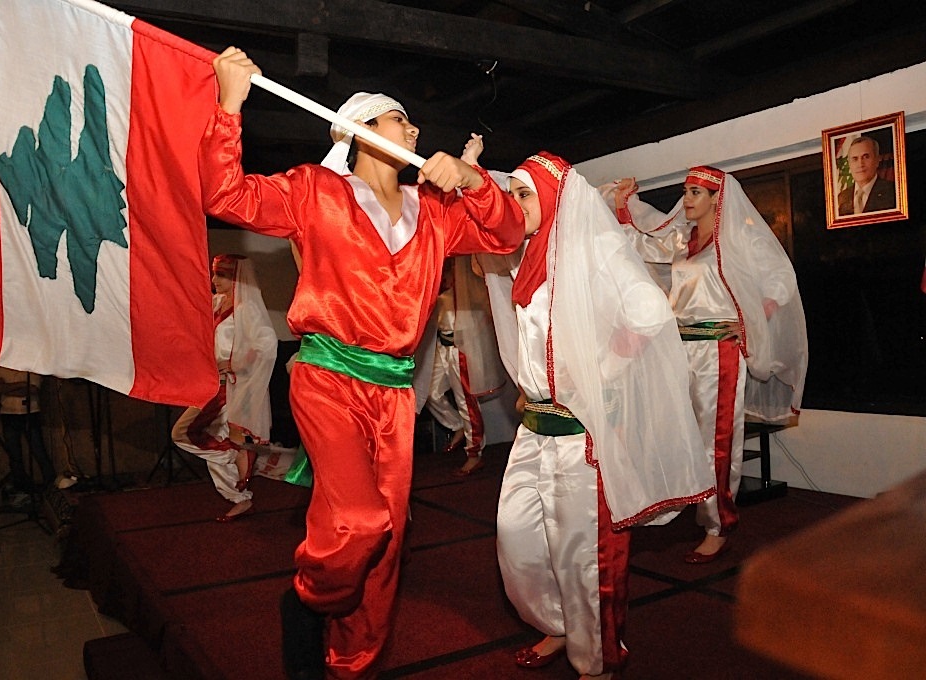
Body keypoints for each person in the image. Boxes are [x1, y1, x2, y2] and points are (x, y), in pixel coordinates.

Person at [199, 49, 525, 680]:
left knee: (389, 540)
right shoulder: (315, 191)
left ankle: (351, 663)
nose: (414, 129)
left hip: (394, 393)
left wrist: (472, 179)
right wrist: (230, 103)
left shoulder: (435, 212)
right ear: (359, 131)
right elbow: (224, 194)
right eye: (400, 119)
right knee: (358, 521)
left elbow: (507, 234)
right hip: (328, 378)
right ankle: (306, 603)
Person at [476, 151, 710, 679]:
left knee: (583, 555)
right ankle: (558, 623)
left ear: (552, 197)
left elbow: (649, 312)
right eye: (512, 195)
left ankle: (597, 659)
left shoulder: (593, 248)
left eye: (524, 194)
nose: (515, 204)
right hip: (535, 427)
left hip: (581, 434)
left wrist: (604, 369)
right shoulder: (525, 256)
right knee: (517, 536)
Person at [609, 166, 807, 563]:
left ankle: (719, 525)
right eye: (685, 191)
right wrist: (622, 204)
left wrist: (750, 321)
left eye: (696, 192)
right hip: (680, 348)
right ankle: (687, 502)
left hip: (719, 351)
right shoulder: (683, 239)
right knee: (677, 432)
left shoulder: (740, 238)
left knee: (715, 441)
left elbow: (780, 279)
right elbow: (641, 244)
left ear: (718, 198)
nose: (686, 199)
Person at [171, 254, 277, 522]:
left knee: (182, 433)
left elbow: (266, 345)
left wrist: (234, 364)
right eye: (214, 273)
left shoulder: (246, 309)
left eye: (222, 275)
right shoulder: (217, 303)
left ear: (237, 278)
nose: (215, 280)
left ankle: (235, 452)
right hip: (213, 382)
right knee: (212, 440)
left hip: (230, 387)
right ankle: (239, 495)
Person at [416, 254, 505, 476]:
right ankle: (457, 426)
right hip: (441, 346)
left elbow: (484, 308)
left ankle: (474, 454)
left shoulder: (466, 281)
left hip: (459, 350)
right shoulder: (437, 274)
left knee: (466, 401)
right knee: (430, 392)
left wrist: (471, 338)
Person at [0, 367, 56, 501]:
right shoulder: (1, 365)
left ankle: (51, 486)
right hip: (8, 413)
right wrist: (20, 385)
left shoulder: (31, 364)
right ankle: (22, 487)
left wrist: (7, 388)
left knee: (38, 450)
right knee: (14, 454)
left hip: (30, 412)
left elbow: (33, 389)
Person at [837, 135, 896, 215]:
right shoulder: (842, 198)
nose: (860, 164)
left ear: (877, 160)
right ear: (849, 164)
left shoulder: (892, 192)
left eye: (866, 157)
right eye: (855, 159)